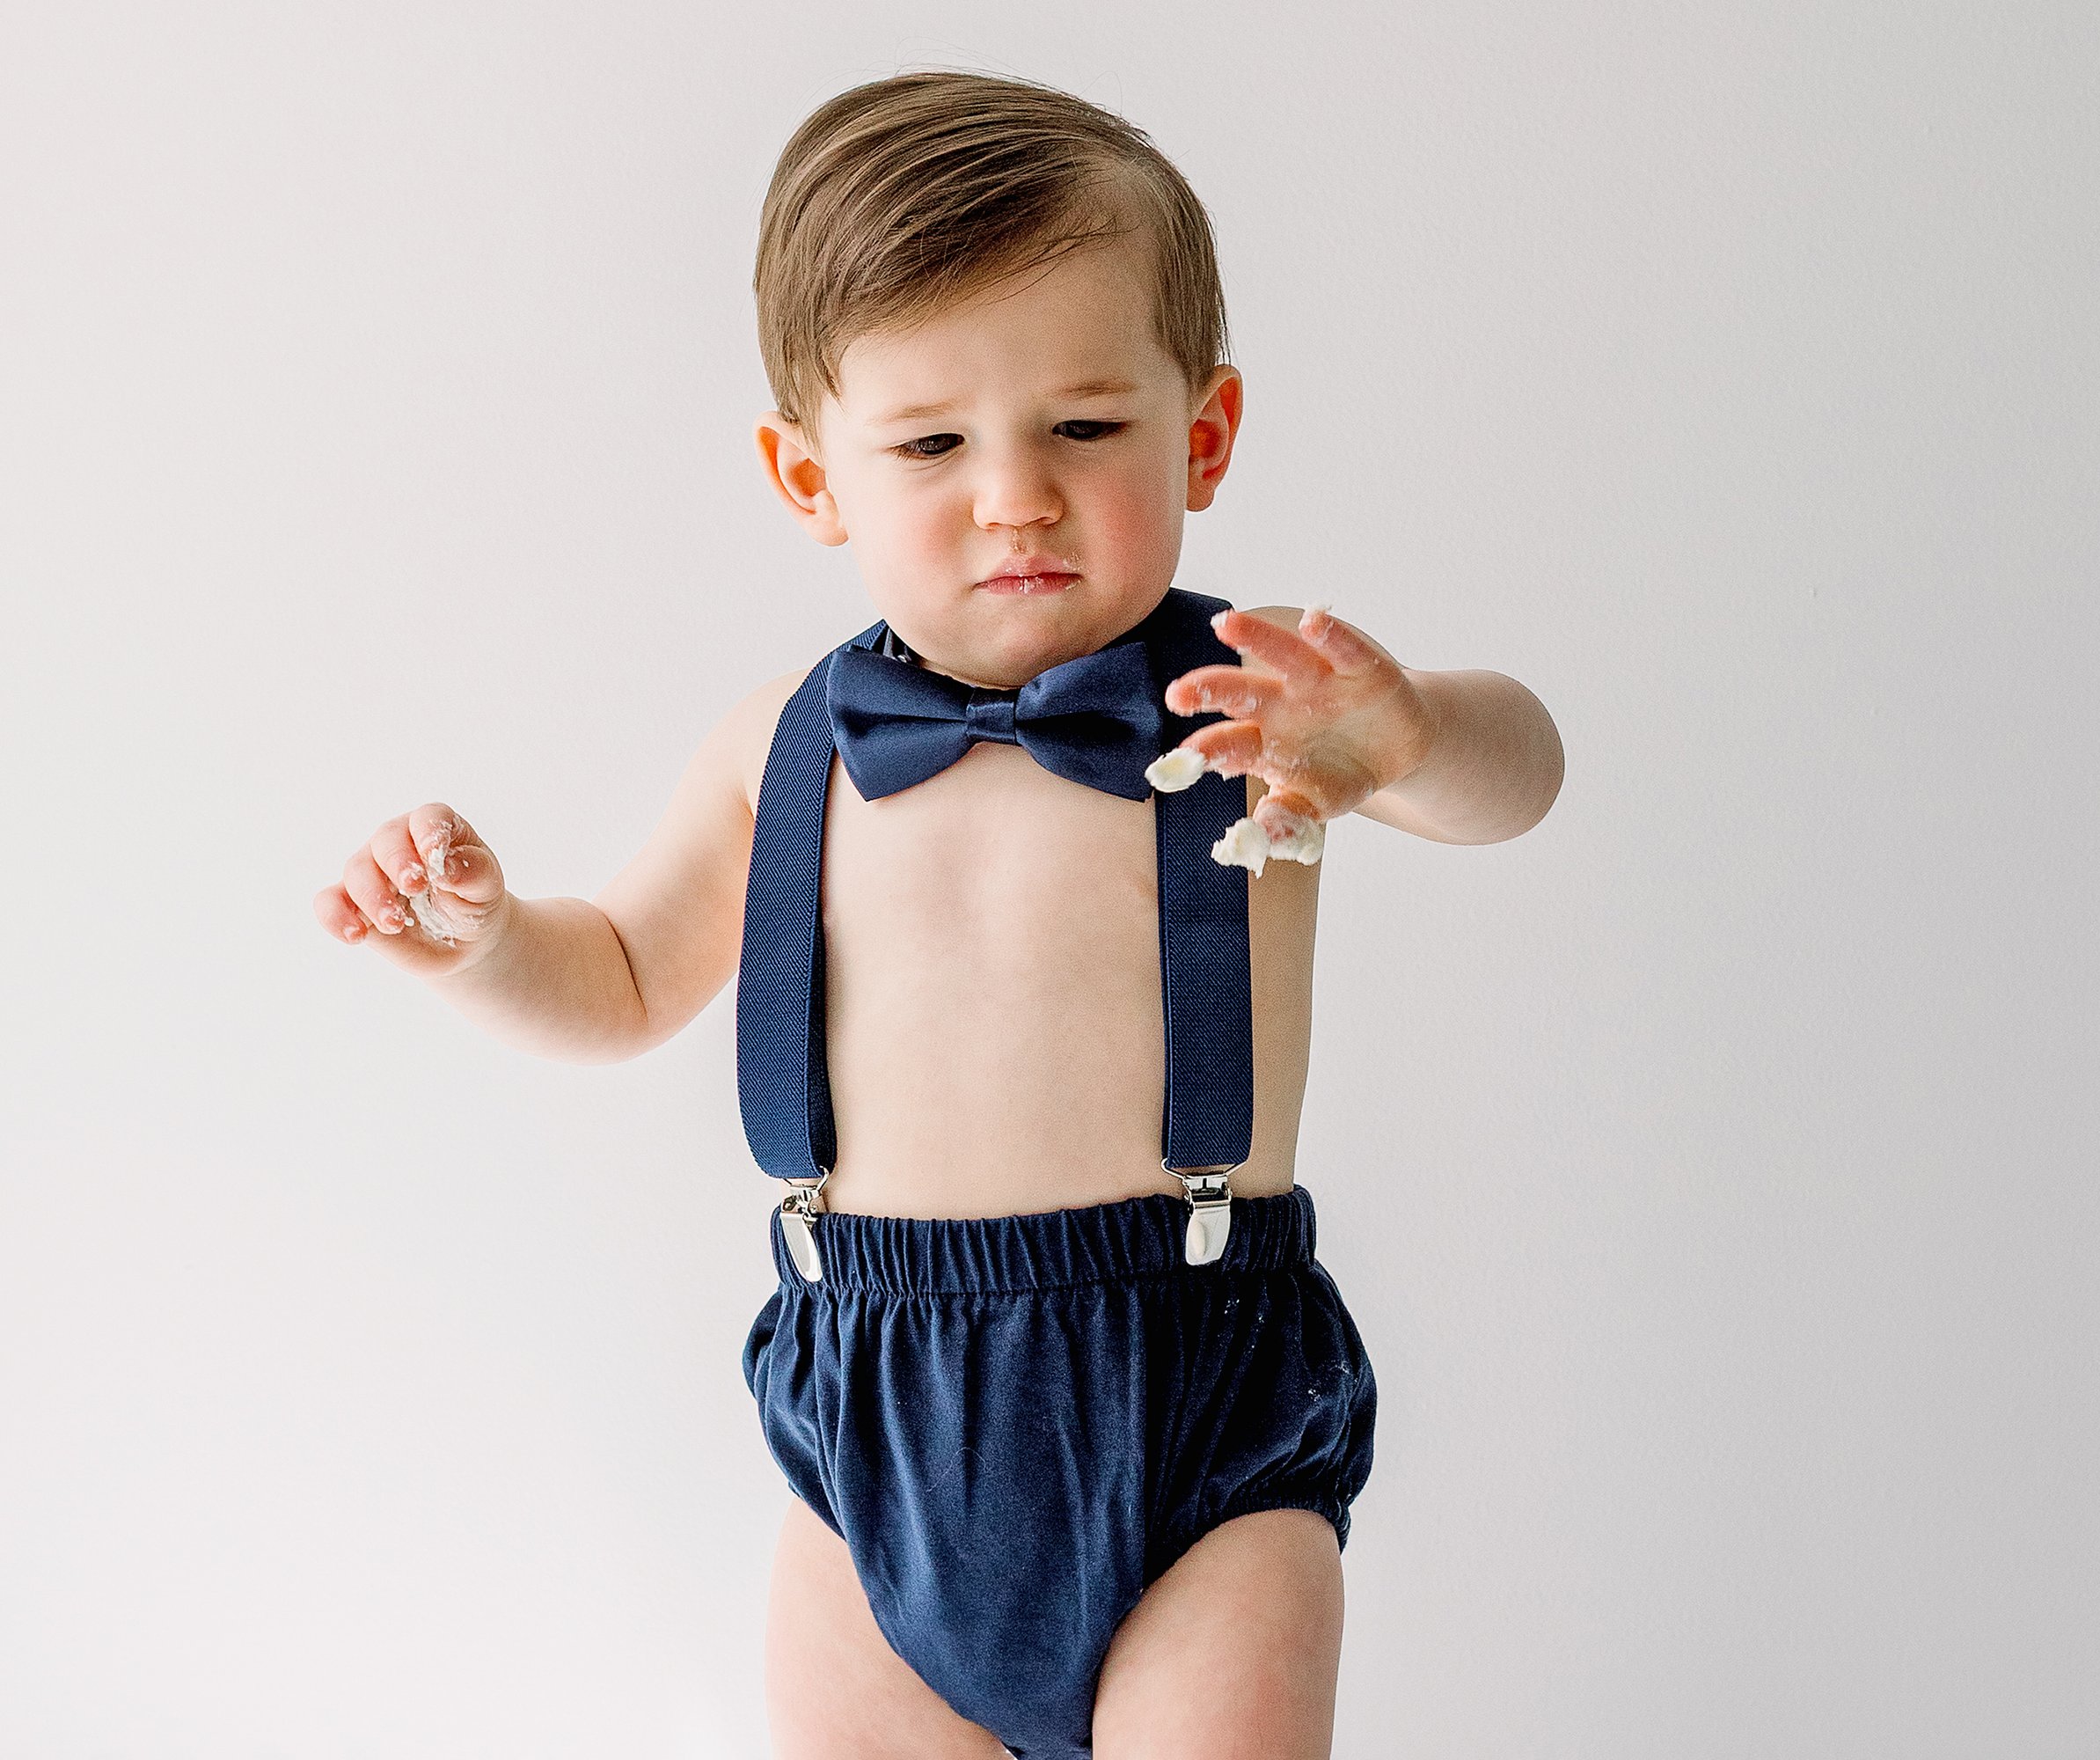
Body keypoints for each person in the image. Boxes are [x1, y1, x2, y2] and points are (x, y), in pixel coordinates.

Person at [314, 68, 1563, 1760]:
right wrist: (480, 946)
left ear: (1203, 435)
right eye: (930, 444)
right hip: (872, 1416)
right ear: (808, 474)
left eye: (1086, 428)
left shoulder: (1258, 705)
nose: (1015, 494)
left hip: (1197, 1396)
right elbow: (616, 980)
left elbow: (1517, 778)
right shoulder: (782, 748)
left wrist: (1405, 734)